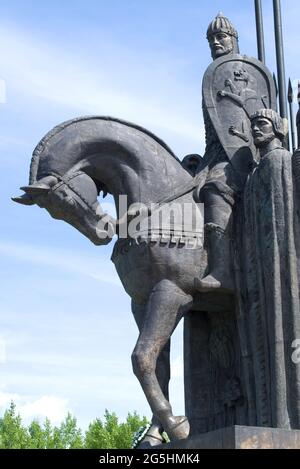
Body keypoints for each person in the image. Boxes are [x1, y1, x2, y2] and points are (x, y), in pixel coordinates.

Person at [195, 13, 260, 291]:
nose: (216, 42)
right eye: (211, 39)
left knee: (215, 188)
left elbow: (254, 118)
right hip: (216, 154)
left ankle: (222, 270)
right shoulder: (212, 79)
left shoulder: (242, 74)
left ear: (233, 40)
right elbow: (215, 132)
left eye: (221, 37)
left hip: (243, 156)